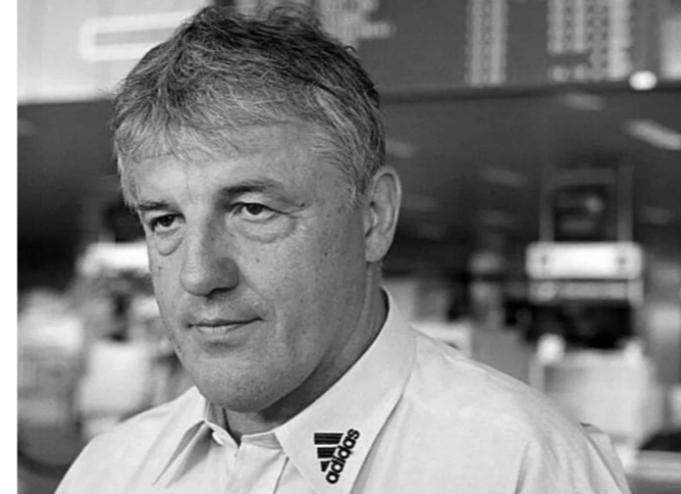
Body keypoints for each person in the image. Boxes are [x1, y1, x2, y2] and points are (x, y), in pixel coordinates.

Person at [57, 4, 631, 493]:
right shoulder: (108, 473)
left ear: (374, 216)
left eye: (253, 209)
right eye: (165, 220)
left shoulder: (525, 467)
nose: (199, 274)